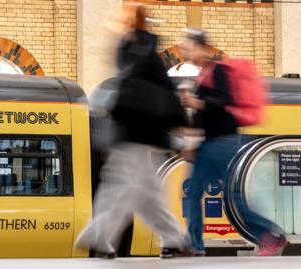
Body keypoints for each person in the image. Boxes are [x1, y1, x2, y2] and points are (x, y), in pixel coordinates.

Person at [75, 4, 187, 259]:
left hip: (130, 131)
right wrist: (179, 121)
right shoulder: (144, 49)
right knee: (136, 189)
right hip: (140, 132)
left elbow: (145, 89)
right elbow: (166, 88)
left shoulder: (129, 51)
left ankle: (105, 237)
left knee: (133, 189)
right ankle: (170, 238)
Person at [180, 28, 287, 256]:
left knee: (232, 195)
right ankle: (194, 245)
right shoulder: (201, 76)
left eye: (189, 46)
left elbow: (223, 101)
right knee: (193, 192)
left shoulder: (217, 71)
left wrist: (195, 103)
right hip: (208, 144)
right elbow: (204, 115)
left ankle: (270, 235)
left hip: (223, 142)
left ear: (201, 47)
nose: (186, 50)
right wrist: (190, 141)